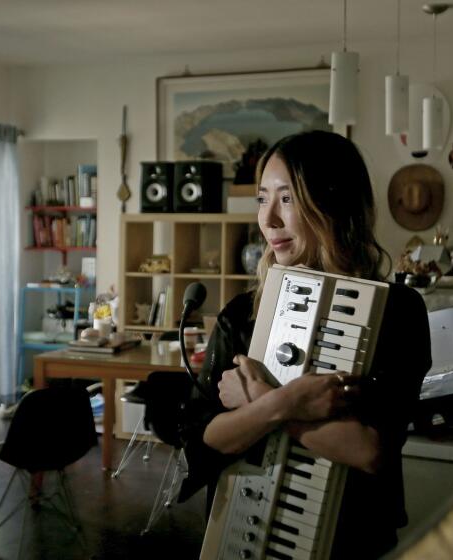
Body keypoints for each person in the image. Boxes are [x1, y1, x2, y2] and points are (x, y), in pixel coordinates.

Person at [179, 130, 431, 560]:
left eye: (288, 199)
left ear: (334, 205)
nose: (269, 219)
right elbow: (203, 440)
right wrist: (285, 404)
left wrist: (258, 398)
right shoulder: (240, 315)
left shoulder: (399, 311)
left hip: (353, 539)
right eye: (262, 199)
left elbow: (369, 451)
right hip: (241, 539)